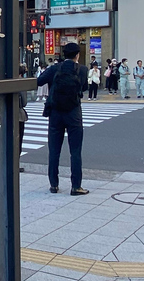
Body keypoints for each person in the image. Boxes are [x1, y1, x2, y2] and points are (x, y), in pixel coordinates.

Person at [37, 42, 89, 196]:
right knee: (76, 151)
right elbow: (84, 87)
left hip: (55, 114)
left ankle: (54, 185)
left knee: (54, 151)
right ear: (77, 55)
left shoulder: (54, 68)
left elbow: (39, 81)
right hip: (74, 113)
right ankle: (76, 186)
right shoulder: (83, 69)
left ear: (63, 54)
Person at [18, 64, 29, 173]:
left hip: (8, 114)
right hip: (19, 115)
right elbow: (24, 102)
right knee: (18, 140)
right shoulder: (21, 83)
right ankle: (16, 163)